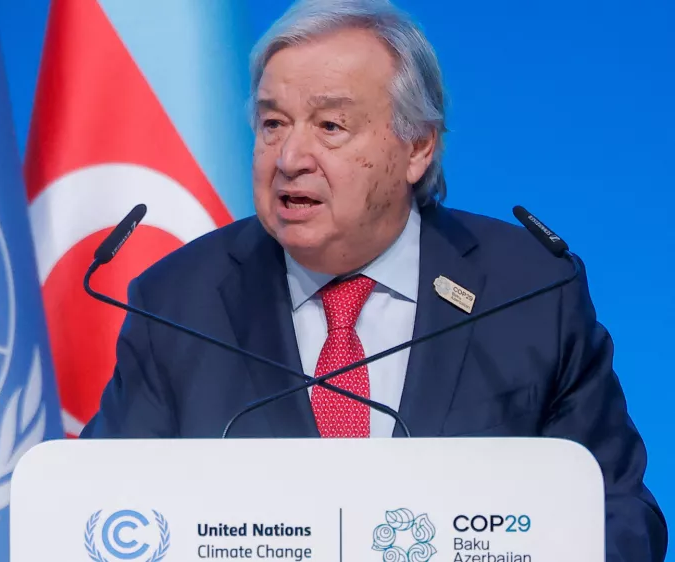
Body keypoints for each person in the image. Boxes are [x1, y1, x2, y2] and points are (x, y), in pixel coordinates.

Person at [79, 0, 667, 558]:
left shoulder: (530, 290)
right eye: (273, 124)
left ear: (416, 147)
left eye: (330, 125)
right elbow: (100, 517)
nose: (289, 158)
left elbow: (620, 513)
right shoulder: (177, 303)